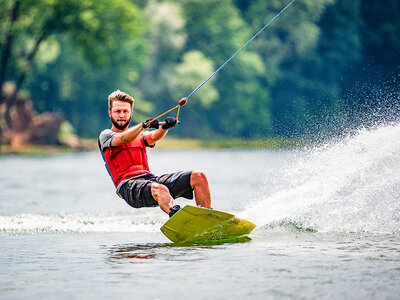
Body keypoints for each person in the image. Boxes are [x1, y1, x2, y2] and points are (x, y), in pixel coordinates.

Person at [98, 90, 211, 217]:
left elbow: (153, 137)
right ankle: (180, 219)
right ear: (110, 113)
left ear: (131, 113)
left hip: (149, 180)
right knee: (160, 189)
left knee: (198, 176)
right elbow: (124, 138)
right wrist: (143, 125)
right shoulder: (106, 136)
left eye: (125, 111)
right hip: (128, 187)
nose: (122, 115)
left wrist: (165, 127)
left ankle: (206, 219)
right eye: (117, 111)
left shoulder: (139, 135)